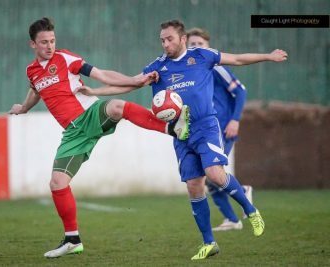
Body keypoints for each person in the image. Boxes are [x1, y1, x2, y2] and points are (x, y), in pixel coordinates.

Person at [76, 19, 287, 260]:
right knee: (193, 186)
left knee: (215, 174)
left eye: (170, 39)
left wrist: (268, 56)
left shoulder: (203, 55)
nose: (165, 44)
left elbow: (238, 59)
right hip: (180, 131)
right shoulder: (158, 68)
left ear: (182, 39)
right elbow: (130, 84)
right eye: (162, 40)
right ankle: (209, 243)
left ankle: (250, 211)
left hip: (206, 125)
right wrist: (95, 92)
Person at [8, 17, 190, 259]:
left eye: (52, 40)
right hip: (73, 133)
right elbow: (35, 91)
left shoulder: (65, 58)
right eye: (44, 42)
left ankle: (172, 128)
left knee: (115, 106)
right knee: (57, 183)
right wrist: (23, 108)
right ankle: (72, 239)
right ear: (33, 44)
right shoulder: (32, 71)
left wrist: (133, 80)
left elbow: (101, 74)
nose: (49, 46)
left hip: (89, 114)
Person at [187, 27, 253, 231]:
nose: (196, 47)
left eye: (200, 44)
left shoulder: (215, 66)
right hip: (204, 129)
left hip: (222, 127)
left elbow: (240, 91)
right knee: (207, 178)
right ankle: (232, 220)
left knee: (212, 173)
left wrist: (235, 120)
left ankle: (242, 191)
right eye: (192, 44)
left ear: (209, 47)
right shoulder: (189, 70)